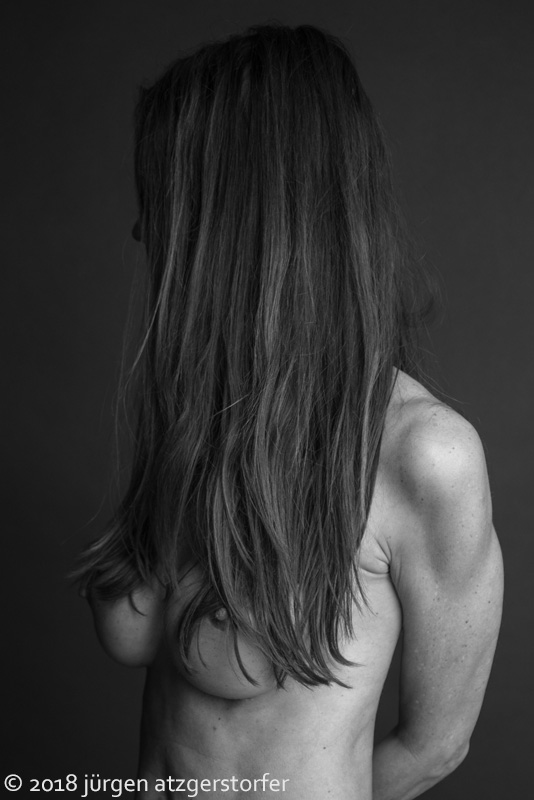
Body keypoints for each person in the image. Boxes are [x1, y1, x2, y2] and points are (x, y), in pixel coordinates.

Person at [74, 22, 504, 800]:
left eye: (166, 199)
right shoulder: (199, 413)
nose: (141, 228)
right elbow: (139, 638)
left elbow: (436, 747)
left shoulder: (423, 454)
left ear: (235, 220)